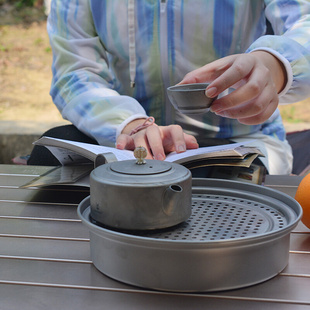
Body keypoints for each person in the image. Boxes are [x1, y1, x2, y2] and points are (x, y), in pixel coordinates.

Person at [28, 0, 310, 175]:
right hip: (123, 142)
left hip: (239, 143)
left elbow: (304, 21)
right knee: (48, 159)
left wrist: (275, 63)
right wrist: (132, 125)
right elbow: (74, 72)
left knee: (214, 196)